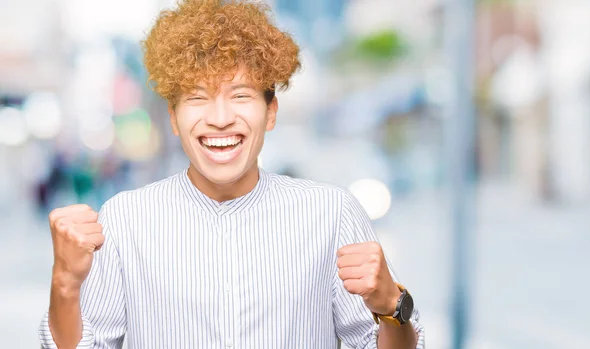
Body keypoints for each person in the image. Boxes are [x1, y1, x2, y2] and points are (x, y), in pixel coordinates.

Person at [38, 0, 425, 348]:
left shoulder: (332, 213)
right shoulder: (124, 221)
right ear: (173, 118)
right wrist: (65, 284)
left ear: (270, 111)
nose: (220, 119)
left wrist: (391, 305)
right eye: (197, 97)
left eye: (240, 95)